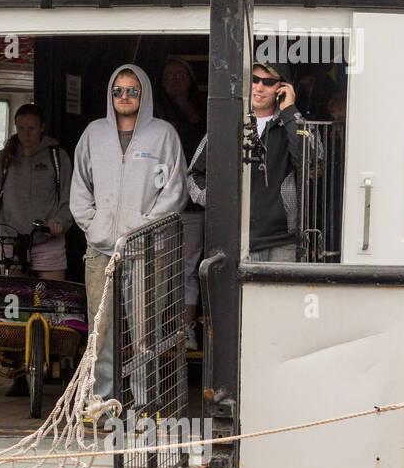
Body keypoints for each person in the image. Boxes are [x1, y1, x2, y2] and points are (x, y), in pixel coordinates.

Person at [70, 65, 186, 401]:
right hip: (100, 249)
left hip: (146, 250)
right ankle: (102, 401)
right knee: (100, 329)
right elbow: (80, 187)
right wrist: (94, 226)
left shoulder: (163, 134)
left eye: (132, 91)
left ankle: (144, 402)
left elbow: (175, 190)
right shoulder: (93, 134)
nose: (124, 97)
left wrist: (140, 229)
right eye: (118, 91)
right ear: (110, 95)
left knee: (143, 330)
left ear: (144, 94)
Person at [188, 61, 305, 262]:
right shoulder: (227, 122)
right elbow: (194, 175)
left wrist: (290, 111)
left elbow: (312, 161)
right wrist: (218, 203)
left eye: (268, 82)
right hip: (234, 237)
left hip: (283, 241)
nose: (259, 87)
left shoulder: (291, 122)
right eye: (254, 79)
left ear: (282, 88)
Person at [0, 102, 73, 281]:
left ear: (42, 128)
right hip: (10, 239)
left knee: (53, 297)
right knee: (13, 296)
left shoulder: (57, 158)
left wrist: (60, 221)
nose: (26, 134)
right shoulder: (4, 159)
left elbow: (69, 197)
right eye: (21, 128)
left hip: (48, 239)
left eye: (32, 128)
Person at [155, 56, 207, 350]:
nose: (175, 78)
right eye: (169, 74)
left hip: (193, 202)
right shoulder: (155, 111)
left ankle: (184, 330)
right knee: (160, 269)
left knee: (188, 268)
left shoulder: (204, 108)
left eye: (180, 73)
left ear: (190, 78)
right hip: (161, 200)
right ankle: (158, 331)